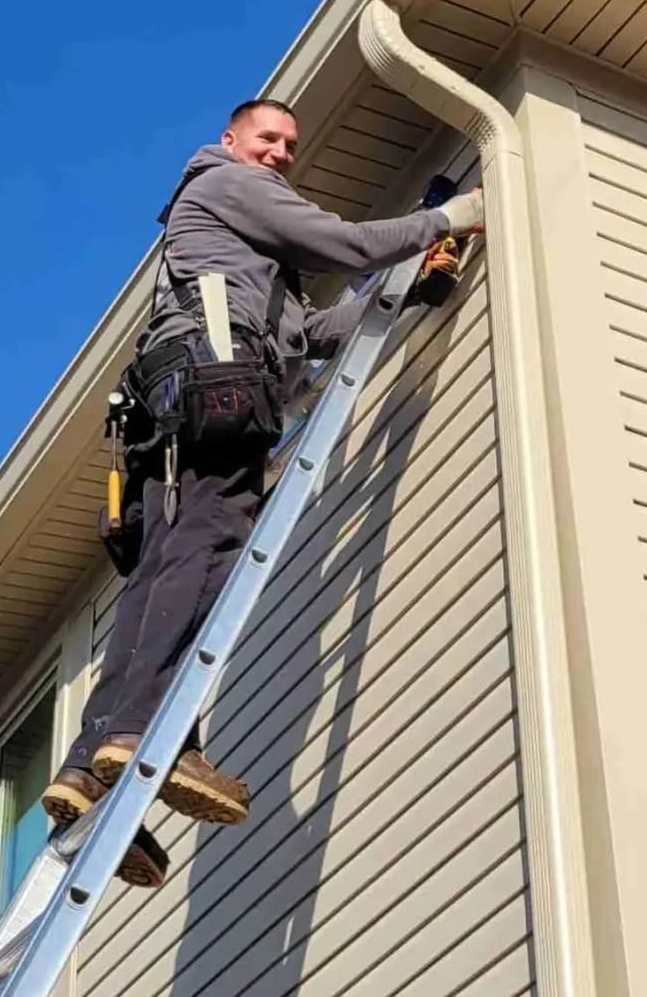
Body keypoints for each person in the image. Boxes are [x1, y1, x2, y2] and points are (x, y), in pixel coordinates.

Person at [40, 99, 484, 887]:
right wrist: (455, 214)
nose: (280, 151)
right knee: (206, 555)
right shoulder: (225, 186)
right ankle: (150, 734)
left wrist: (412, 293)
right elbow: (344, 244)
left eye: (288, 143)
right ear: (230, 141)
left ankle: (89, 766)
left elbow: (309, 336)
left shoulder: (244, 259)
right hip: (215, 390)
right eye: (268, 138)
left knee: (162, 576)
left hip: (177, 406)